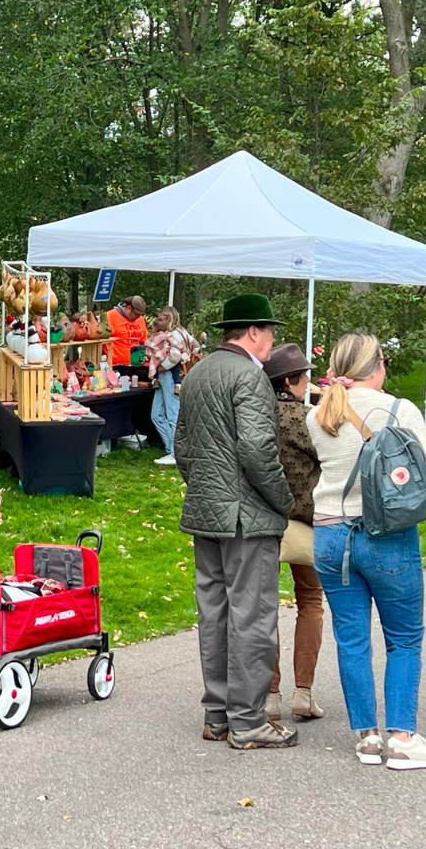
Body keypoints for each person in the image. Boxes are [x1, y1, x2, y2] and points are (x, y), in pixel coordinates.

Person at [305, 333, 426, 770]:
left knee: (351, 638)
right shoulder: (398, 410)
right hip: (385, 532)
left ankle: (367, 736)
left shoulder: (318, 415)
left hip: (330, 536)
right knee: (404, 638)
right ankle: (403, 737)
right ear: (378, 365)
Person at [172, 293, 296, 750]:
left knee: (215, 614)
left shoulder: (199, 371)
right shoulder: (250, 376)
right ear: (253, 333)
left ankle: (218, 715)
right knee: (253, 616)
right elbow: (257, 450)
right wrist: (282, 500)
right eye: (270, 332)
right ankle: (248, 721)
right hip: (247, 516)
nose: (273, 341)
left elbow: (182, 447)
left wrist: (204, 486)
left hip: (206, 510)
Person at [261, 344, 326, 725]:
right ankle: (304, 693)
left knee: (264, 607)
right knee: (311, 601)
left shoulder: (255, 416)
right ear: (290, 381)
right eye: (304, 376)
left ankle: (270, 695)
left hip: (264, 522)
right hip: (307, 522)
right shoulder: (310, 419)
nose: (308, 382)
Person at [145, 307, 200, 466]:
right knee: (157, 415)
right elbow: (196, 346)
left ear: (169, 319)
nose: (156, 321)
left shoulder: (174, 335)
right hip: (166, 377)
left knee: (172, 414)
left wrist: (161, 367)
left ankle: (176, 452)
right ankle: (174, 449)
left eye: (161, 318)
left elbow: (175, 356)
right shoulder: (181, 332)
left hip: (169, 377)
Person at [106, 295, 149, 368]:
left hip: (136, 366)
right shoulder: (110, 316)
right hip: (115, 366)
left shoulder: (141, 319)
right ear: (129, 308)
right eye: (136, 314)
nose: (138, 317)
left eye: (140, 315)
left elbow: (143, 341)